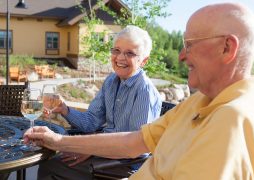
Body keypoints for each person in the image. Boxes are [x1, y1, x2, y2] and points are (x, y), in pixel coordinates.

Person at [25, 2, 254, 179]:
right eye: (116, 51)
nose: (182, 56)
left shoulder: (233, 120)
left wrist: (73, 146)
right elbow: (133, 142)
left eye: (190, 44)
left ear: (227, 48)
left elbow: (135, 151)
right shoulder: (201, 102)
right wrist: (57, 140)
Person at [37, 25, 162, 180]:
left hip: (124, 166)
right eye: (116, 50)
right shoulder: (111, 81)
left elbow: (137, 148)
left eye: (130, 53)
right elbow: (91, 122)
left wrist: (92, 149)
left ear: (143, 61)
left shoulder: (144, 91)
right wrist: (64, 109)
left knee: (50, 166)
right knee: (50, 161)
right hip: (103, 153)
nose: (120, 58)